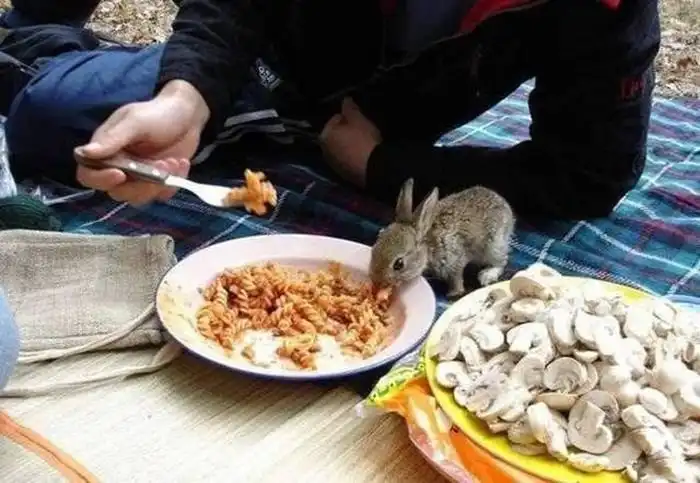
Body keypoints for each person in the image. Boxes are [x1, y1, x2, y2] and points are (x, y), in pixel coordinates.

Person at [0, 0, 660, 219]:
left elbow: (591, 171)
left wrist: (382, 166)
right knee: (54, 115)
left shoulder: (606, 10)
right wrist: (187, 94)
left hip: (373, 117)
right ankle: (35, 32)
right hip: (274, 57)